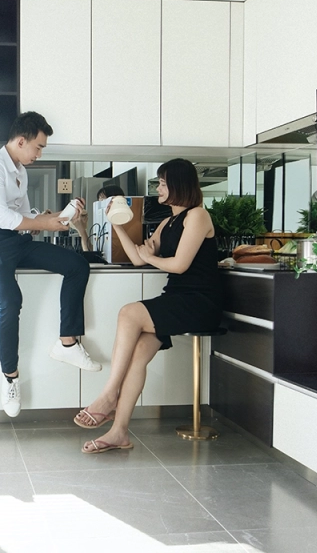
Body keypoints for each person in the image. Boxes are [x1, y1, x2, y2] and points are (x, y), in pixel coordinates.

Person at [72, 158, 223, 453]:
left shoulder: (198, 217)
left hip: (200, 301)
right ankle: (119, 433)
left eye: (164, 183)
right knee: (139, 354)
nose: (159, 188)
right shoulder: (168, 222)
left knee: (129, 312)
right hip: (176, 299)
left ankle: (109, 394)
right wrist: (117, 226)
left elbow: (179, 265)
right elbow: (139, 257)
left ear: (180, 184)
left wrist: (152, 257)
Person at [0, 111, 102, 418]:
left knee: (77, 264)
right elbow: (0, 218)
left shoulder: (21, 171)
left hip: (16, 242)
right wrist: (44, 223)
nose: (39, 154)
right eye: (38, 147)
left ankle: (67, 343)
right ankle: (10, 378)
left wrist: (50, 219)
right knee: (10, 300)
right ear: (21, 140)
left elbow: (24, 216)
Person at [72, 185, 125, 252]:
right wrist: (81, 229)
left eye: (104, 202)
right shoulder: (103, 225)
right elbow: (93, 253)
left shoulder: (121, 225)